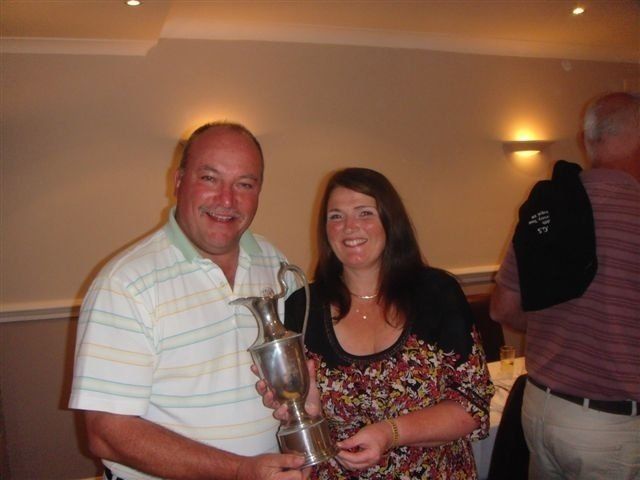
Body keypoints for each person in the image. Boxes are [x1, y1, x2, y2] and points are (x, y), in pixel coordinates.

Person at [68, 122, 306, 480]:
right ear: (178, 182)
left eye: (244, 184)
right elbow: (106, 432)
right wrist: (238, 471)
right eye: (210, 178)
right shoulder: (125, 284)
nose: (227, 200)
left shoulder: (274, 263)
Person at [261, 168, 494, 479]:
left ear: (390, 221)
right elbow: (303, 426)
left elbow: (472, 406)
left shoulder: (436, 294)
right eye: (336, 216)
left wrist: (389, 433)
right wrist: (305, 408)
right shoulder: (302, 307)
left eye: (365, 213)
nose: (349, 227)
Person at [491, 92, 640, 479]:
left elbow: (502, 308)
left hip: (539, 408)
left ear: (586, 141)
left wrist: (562, 325)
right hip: (609, 424)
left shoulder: (547, 206)